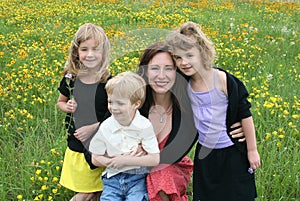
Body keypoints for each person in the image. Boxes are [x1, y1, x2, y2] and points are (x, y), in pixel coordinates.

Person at [137, 42, 245, 201]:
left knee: (162, 177)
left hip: (171, 167)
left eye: (168, 68)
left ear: (177, 71)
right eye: (154, 68)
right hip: (136, 166)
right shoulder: (134, 102)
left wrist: (237, 121)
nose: (161, 76)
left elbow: (223, 93)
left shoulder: (189, 104)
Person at [166, 21, 261, 201]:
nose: (184, 62)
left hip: (232, 151)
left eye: (189, 55)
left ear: (202, 53)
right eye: (178, 57)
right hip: (205, 154)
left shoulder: (223, 80)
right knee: (208, 194)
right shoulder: (184, 85)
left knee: (237, 194)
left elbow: (245, 115)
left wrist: (252, 150)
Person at [57, 23, 111, 201]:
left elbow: (114, 115)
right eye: (84, 49)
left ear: (103, 52)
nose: (90, 54)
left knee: (99, 191)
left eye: (96, 49)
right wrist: (68, 107)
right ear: (76, 52)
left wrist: (93, 128)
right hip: (78, 145)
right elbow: (60, 102)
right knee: (88, 192)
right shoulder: (70, 79)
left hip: (101, 144)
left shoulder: (108, 82)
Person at [89, 71, 160, 201]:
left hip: (137, 179)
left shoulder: (144, 125)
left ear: (136, 104)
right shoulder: (106, 126)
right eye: (110, 102)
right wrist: (111, 162)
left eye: (120, 103)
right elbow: (95, 157)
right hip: (112, 179)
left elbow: (154, 159)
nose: (114, 108)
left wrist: (126, 161)